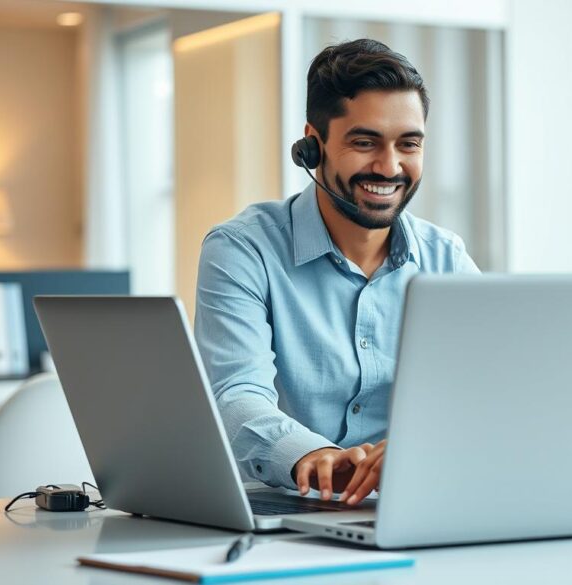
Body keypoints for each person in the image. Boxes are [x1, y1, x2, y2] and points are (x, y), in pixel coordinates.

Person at [194, 39, 479, 505]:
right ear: (313, 144)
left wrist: (425, 450)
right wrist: (314, 455)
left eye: (408, 144)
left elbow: (488, 391)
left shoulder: (446, 258)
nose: (389, 167)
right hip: (279, 507)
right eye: (364, 142)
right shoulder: (243, 249)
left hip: (416, 504)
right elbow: (235, 392)